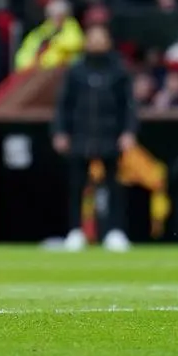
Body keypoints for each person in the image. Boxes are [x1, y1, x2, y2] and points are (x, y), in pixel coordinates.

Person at [52, 24, 137, 252]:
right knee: (77, 187)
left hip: (109, 134)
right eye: (93, 37)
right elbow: (63, 105)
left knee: (114, 187)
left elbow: (128, 105)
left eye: (102, 37)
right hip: (81, 134)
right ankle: (75, 231)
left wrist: (129, 132)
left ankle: (115, 231)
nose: (97, 42)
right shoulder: (76, 70)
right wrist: (60, 131)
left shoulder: (118, 70)